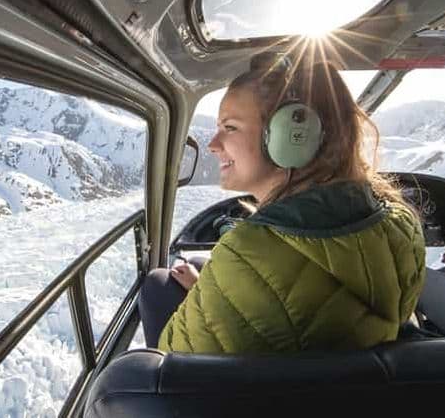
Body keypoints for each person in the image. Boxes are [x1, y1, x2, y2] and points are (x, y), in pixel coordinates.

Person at [138, 53, 427, 354]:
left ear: (290, 137)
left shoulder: (246, 253)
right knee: (201, 266)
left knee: (158, 286)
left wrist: (207, 294)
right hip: (363, 375)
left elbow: (174, 358)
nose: (212, 144)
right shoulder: (401, 226)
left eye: (230, 127)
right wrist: (210, 291)